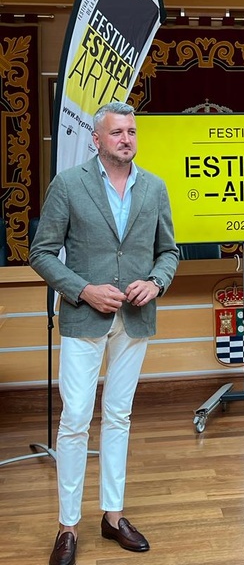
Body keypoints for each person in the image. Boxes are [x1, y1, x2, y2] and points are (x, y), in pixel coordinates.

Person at [30, 102, 179, 565]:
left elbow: (168, 253)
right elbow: (42, 252)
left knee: (119, 417)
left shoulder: (154, 187)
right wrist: (83, 289)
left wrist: (155, 282)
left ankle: (113, 516)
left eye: (132, 132)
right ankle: (67, 526)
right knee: (75, 419)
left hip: (134, 320)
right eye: (117, 132)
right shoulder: (69, 185)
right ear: (96, 139)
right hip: (83, 317)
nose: (126, 139)